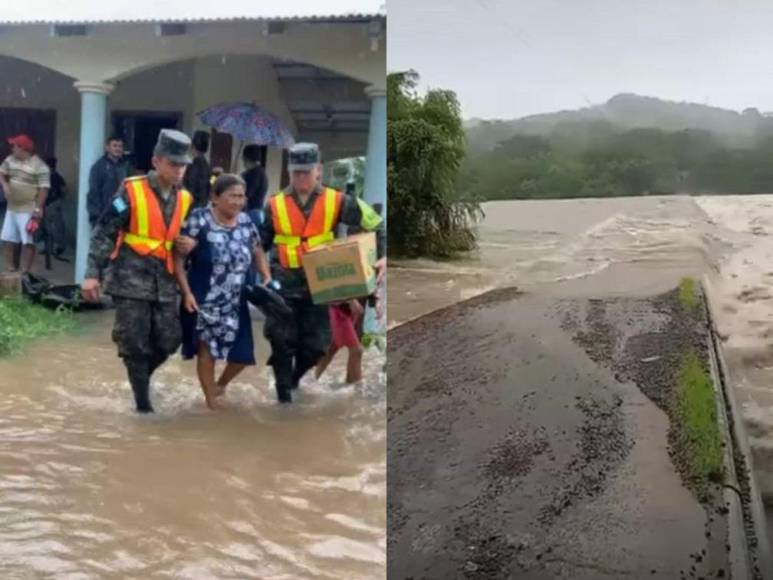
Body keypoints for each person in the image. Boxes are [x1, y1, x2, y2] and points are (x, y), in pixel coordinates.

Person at [259, 142, 386, 403]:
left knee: (317, 346)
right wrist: (265, 276)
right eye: (296, 173)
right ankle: (283, 398)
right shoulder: (274, 205)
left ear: (318, 169)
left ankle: (293, 380)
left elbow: (376, 224)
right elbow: (259, 244)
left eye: (306, 172)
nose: (301, 178)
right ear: (289, 171)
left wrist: (383, 256)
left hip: (321, 286)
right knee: (281, 340)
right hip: (283, 281)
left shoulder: (337, 200)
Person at [81, 129, 195, 413]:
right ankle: (143, 407)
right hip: (130, 279)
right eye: (173, 164)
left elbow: (188, 234)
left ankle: (140, 379)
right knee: (134, 343)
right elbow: (104, 232)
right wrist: (92, 273)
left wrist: (190, 243)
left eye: (183, 165)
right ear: (157, 161)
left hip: (165, 280)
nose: (179, 170)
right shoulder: (130, 190)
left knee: (170, 340)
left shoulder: (186, 198)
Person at [174, 174, 271, 410]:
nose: (238, 202)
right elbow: (179, 258)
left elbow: (257, 248)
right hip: (204, 296)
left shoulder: (247, 221)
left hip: (236, 298)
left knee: (242, 355)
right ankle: (211, 402)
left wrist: (265, 274)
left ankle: (220, 385)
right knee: (207, 350)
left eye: (241, 197)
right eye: (232, 196)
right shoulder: (199, 219)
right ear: (215, 198)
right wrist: (186, 292)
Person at [0, 135, 50, 273]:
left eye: (14, 146)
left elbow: (43, 189)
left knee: (28, 241)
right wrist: (4, 185)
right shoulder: (10, 160)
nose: (12, 149)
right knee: (8, 238)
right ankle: (11, 269)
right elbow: (1, 172)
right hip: (12, 207)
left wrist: (38, 208)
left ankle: (25, 272)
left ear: (23, 149)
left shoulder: (40, 166)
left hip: (28, 208)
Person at [86, 135, 131, 229]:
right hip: (104, 216)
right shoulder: (98, 167)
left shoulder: (126, 166)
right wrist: (96, 218)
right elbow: (93, 193)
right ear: (107, 148)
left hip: (121, 213)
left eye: (120, 146)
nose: (118, 149)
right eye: (114, 146)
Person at [42, 157, 68, 258]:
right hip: (47, 203)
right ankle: (49, 248)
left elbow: (65, 189)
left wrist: (59, 200)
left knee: (57, 227)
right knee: (48, 227)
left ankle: (59, 247)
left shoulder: (55, 176)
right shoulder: (47, 176)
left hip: (52, 203)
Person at [183, 130, 211, 208]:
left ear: (192, 146)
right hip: (203, 203)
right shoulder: (207, 165)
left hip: (193, 204)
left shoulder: (194, 165)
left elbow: (191, 186)